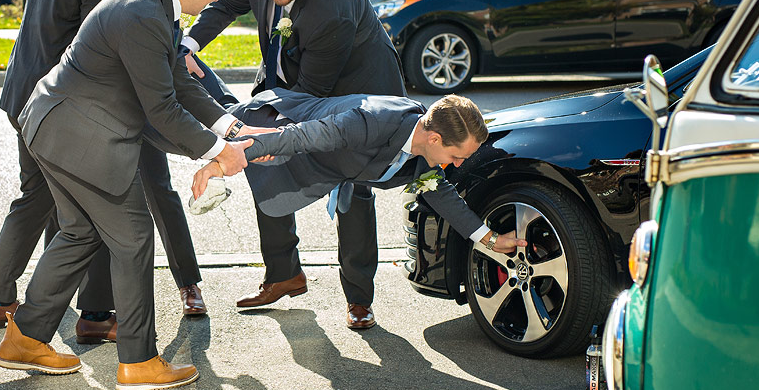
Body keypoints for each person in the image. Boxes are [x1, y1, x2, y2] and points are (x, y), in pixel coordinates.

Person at [0, 0, 250, 390]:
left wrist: (231, 128)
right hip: (78, 136)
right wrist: (219, 154)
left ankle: (25, 338)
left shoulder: (152, 0)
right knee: (133, 236)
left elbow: (182, 82)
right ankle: (138, 363)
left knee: (80, 232)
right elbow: (161, 109)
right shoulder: (143, 12)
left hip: (54, 126)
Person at [182, 0, 407, 329]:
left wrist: (276, 136)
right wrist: (189, 46)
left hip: (356, 89)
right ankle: (284, 274)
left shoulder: (330, 7)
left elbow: (310, 97)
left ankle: (359, 298)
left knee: (351, 188)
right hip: (293, 74)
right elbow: (225, 7)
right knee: (264, 157)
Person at [0, 0, 147, 338]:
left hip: (21, 90)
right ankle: (95, 316)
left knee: (35, 197)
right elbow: (104, 45)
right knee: (91, 206)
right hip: (59, 106)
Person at [189, 92, 527, 281]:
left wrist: (492, 240)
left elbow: (443, 195)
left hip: (328, 165)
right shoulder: (371, 121)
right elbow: (301, 136)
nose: (456, 166)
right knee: (184, 128)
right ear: (434, 137)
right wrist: (223, 156)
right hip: (271, 127)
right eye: (455, 156)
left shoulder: (428, 149)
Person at [117, 0, 210, 315]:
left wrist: (179, 55)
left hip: (146, 112)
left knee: (160, 190)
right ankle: (90, 300)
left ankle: (188, 285)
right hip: (101, 116)